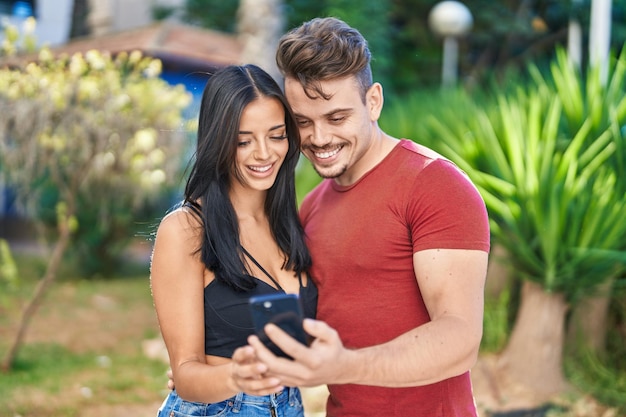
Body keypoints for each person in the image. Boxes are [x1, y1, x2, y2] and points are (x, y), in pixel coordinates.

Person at [228, 17, 491, 417]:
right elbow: (316, 331)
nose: (319, 138)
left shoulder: (434, 185)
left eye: (336, 118)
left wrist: (348, 365)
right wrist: (228, 367)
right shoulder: (312, 206)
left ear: (373, 101)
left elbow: (460, 338)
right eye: (303, 122)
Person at [150, 64, 317, 417]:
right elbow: (185, 374)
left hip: (288, 407)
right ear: (218, 141)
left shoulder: (289, 225)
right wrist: (236, 375)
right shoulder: (185, 230)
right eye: (243, 141)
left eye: (276, 135)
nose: (264, 153)